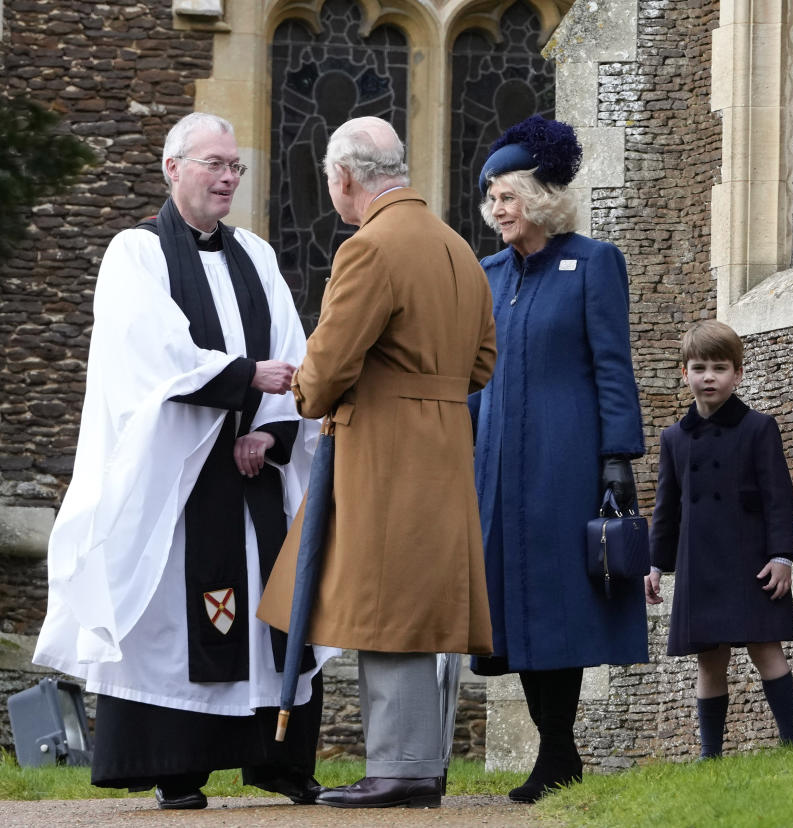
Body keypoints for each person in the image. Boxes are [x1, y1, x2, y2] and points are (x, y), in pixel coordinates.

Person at [32, 112, 332, 809]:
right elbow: (150, 354)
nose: (228, 177)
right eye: (214, 164)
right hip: (181, 478)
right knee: (177, 622)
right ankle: (178, 768)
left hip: (254, 477)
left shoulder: (256, 255)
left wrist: (272, 433)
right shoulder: (134, 253)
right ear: (173, 169)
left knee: (270, 614)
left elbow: (291, 354)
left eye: (236, 167)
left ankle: (281, 761)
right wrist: (242, 379)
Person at [256, 116, 497, 809]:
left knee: (388, 603)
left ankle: (400, 769)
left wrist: (305, 390)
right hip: (446, 441)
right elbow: (482, 364)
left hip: (383, 446)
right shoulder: (458, 248)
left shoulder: (370, 248)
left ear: (344, 178)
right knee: (416, 602)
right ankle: (415, 764)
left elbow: (327, 367)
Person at [471, 114, 647, 803]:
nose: (497, 210)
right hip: (496, 463)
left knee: (558, 604)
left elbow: (613, 367)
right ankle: (558, 750)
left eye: (507, 196)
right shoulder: (485, 275)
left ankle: (557, 750)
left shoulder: (592, 262)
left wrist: (616, 458)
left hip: (565, 461)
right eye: (491, 198)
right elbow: (473, 375)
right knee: (511, 605)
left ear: (541, 197)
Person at [644, 320, 793, 758]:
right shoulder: (674, 438)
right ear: (684, 374)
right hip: (700, 563)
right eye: (699, 368)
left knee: (766, 649)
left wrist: (782, 556)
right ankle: (710, 756)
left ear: (738, 373)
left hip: (752, 559)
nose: (708, 377)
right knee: (709, 660)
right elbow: (665, 509)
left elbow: (778, 498)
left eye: (719, 367)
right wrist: (655, 565)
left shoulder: (759, 428)